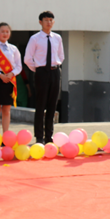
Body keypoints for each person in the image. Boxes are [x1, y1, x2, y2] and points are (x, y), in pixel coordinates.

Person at [24, 11, 64, 144]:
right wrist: (38, 69)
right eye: (46, 20)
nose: (49, 22)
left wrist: (54, 67)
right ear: (40, 22)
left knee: (53, 104)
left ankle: (49, 136)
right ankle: (39, 137)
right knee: (41, 105)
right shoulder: (35, 38)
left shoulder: (57, 38)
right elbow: (27, 58)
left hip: (55, 71)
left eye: (51, 20)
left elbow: (61, 56)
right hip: (41, 72)